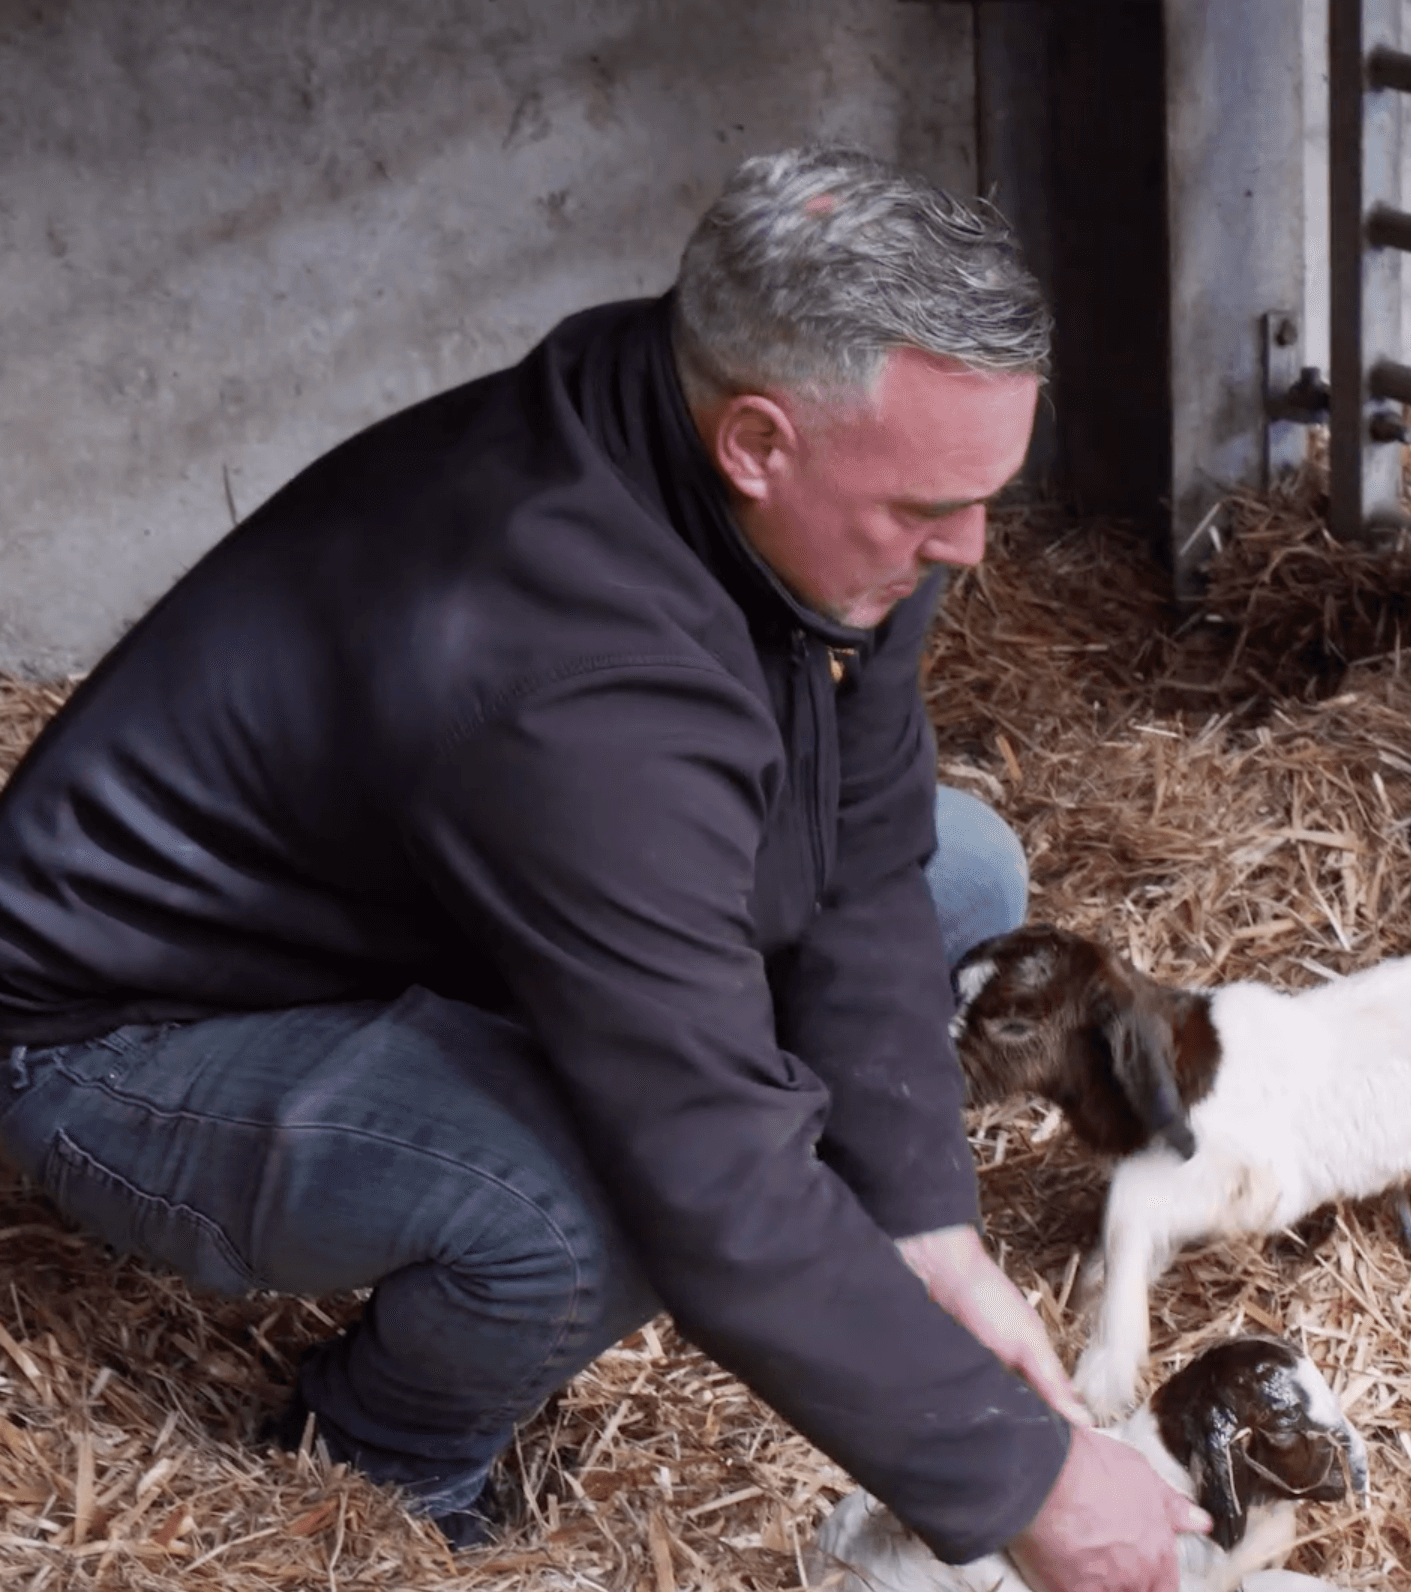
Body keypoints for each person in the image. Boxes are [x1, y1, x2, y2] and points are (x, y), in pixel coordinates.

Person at [0, 147, 1209, 1590]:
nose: (971, 547)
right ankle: (380, 1460)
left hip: (420, 914)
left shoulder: (772, 475)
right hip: (132, 1042)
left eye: (983, 494)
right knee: (594, 1203)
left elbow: (870, 847)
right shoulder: (556, 665)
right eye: (927, 511)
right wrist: (1022, 1482)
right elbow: (699, 1164)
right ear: (758, 441)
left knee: (962, 874)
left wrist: (924, 1228)